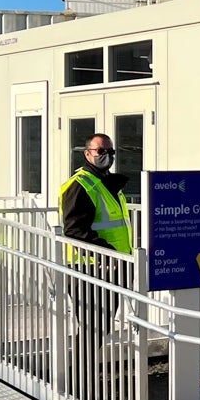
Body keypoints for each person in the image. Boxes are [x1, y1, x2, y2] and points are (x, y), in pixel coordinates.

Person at [59, 134, 134, 352]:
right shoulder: (80, 185)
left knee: (101, 326)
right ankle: (80, 372)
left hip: (113, 266)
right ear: (87, 154)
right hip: (90, 267)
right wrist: (105, 252)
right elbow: (74, 230)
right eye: (101, 151)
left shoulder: (107, 184)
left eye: (111, 152)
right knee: (93, 327)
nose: (107, 156)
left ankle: (85, 370)